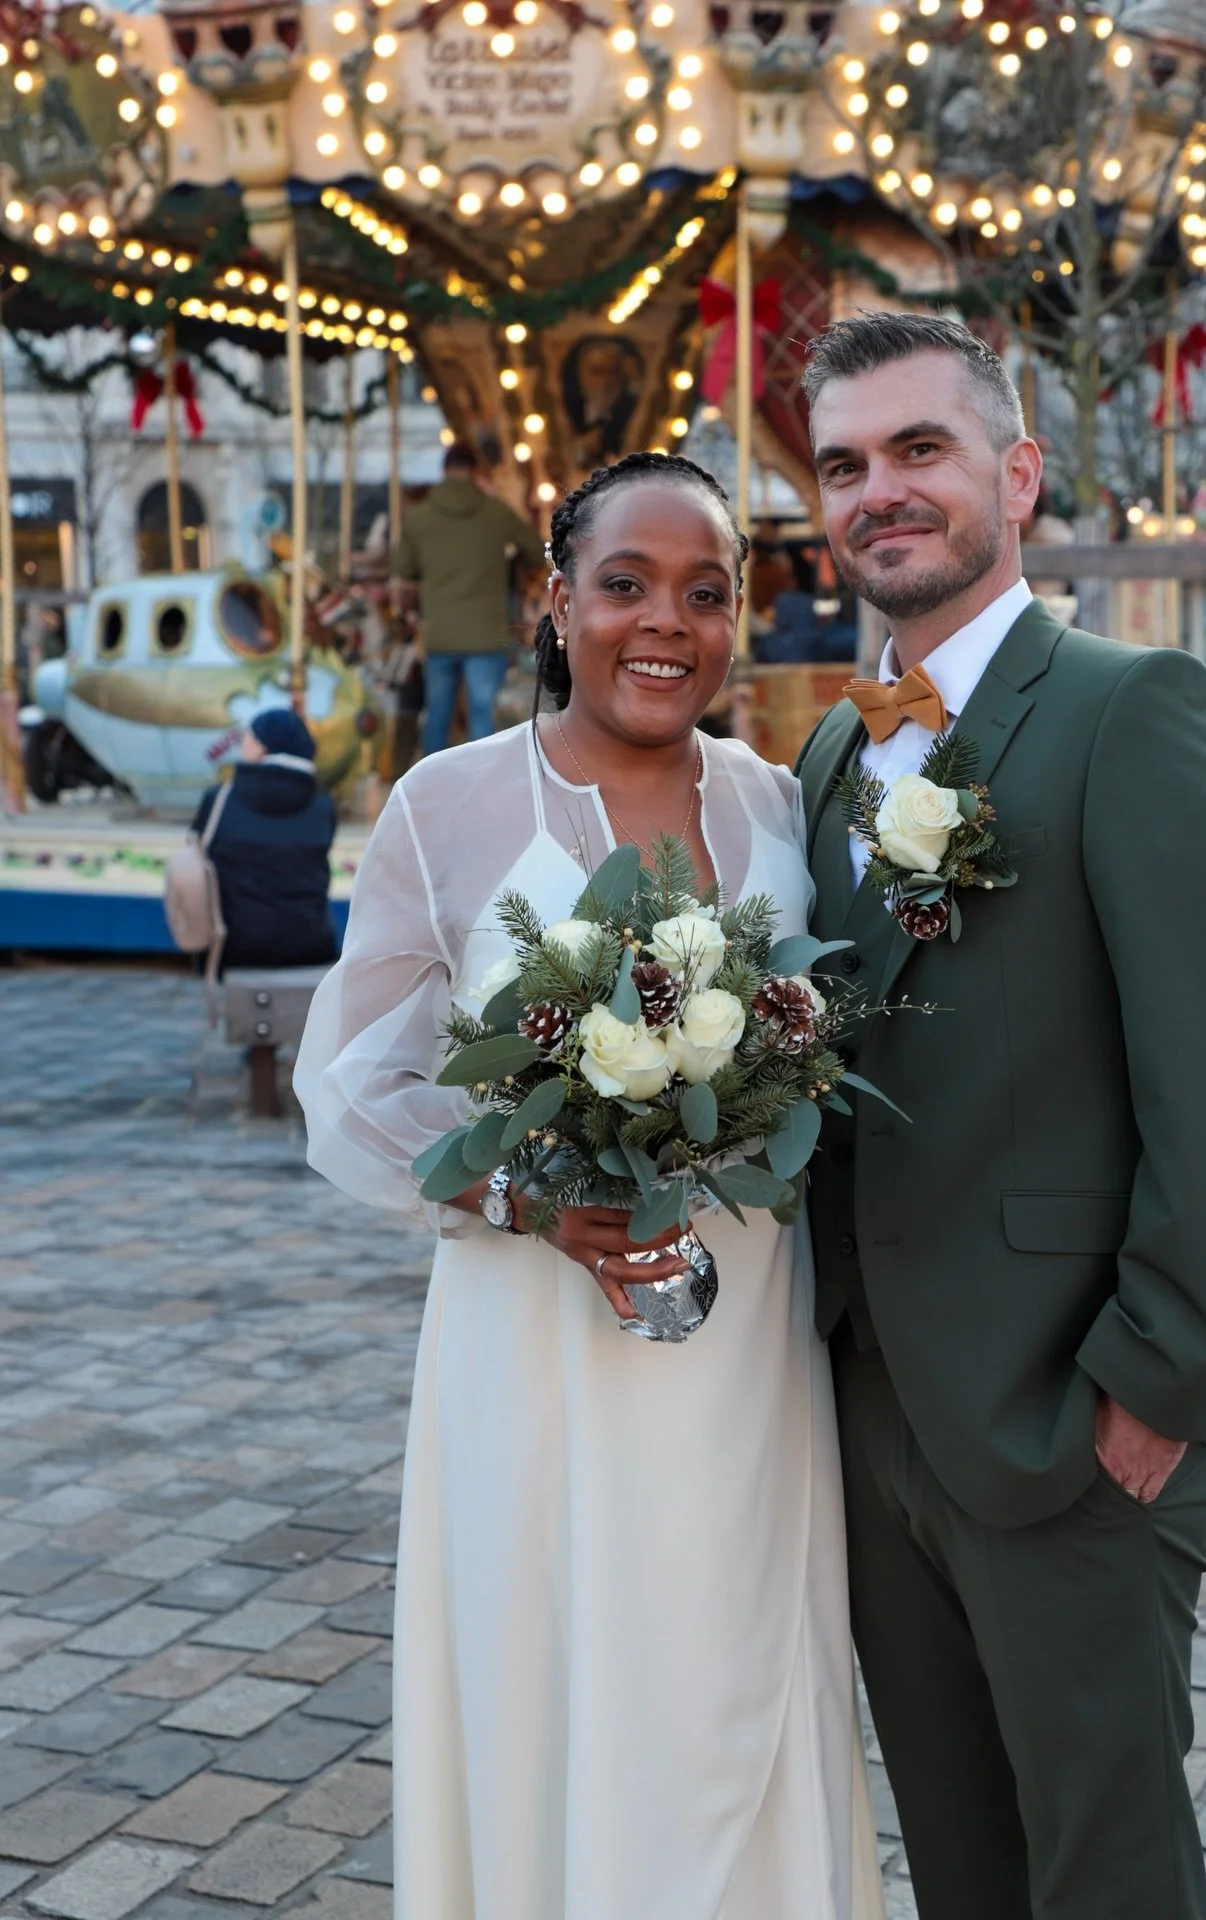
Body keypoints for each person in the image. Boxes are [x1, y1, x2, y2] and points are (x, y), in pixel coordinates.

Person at [295, 451, 886, 1920]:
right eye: (624, 585)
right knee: (550, 1658)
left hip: (747, 1341)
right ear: (558, 602)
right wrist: (531, 1200)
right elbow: (350, 1083)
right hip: (533, 1338)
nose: (662, 623)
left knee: (734, 1661)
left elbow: (816, 1034)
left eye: (705, 591)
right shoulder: (447, 804)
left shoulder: (776, 804)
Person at [795, 311, 1206, 1920]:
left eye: (919, 450)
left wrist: (1157, 1383)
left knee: (1106, 1872)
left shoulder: (1132, 707)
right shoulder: (822, 752)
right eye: (845, 464)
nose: (880, 491)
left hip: (1076, 1421)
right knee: (964, 1864)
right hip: (874, 1419)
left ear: (1016, 472)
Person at [392, 443, 545, 755]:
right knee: (483, 717)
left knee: (437, 713)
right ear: (476, 472)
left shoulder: (420, 517)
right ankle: (483, 793)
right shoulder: (496, 512)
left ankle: (431, 789)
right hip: (486, 634)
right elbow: (535, 549)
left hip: (441, 632)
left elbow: (403, 567)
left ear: (444, 471)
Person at [192, 707, 337, 973]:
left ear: (262, 748)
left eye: (247, 739)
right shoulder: (323, 806)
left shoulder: (219, 801)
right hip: (311, 945)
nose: (242, 747)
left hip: (234, 947)